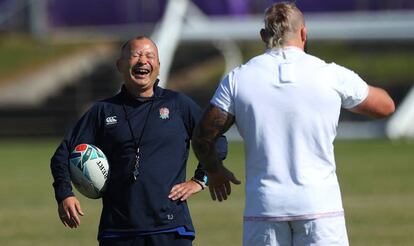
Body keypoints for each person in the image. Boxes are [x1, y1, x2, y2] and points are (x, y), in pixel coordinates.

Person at [191, 2, 395, 246]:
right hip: (320, 206)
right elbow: (386, 106)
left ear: (263, 36)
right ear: (304, 33)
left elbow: (202, 137)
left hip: (264, 207)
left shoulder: (239, 78)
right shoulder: (330, 74)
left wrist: (214, 171)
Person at [50, 36, 227, 246]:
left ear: (158, 66)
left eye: (150, 56)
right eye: (135, 55)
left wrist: (200, 179)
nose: (143, 60)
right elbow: (63, 153)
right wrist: (64, 194)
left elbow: (215, 140)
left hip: (171, 229)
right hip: (118, 231)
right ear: (120, 65)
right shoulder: (103, 111)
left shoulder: (178, 105)